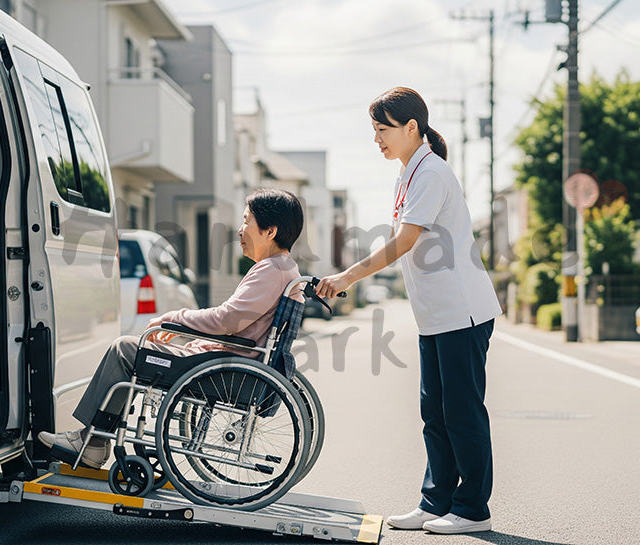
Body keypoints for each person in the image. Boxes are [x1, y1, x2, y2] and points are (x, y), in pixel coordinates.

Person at [316, 87, 501, 535]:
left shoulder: (431, 172)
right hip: (435, 315)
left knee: (462, 412)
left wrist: (346, 277)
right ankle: (436, 502)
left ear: (412, 128)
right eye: (374, 130)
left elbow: (403, 242)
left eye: (383, 129)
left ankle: (473, 509)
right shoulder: (408, 174)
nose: (376, 139)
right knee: (434, 413)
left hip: (462, 312)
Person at [39, 188, 305, 468]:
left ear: (270, 231)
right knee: (136, 349)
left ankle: (92, 442)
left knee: (125, 349)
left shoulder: (270, 270)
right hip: (234, 365)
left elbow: (227, 320)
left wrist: (177, 318)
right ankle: (94, 440)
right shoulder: (285, 269)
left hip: (225, 370)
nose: (240, 230)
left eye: (247, 221)